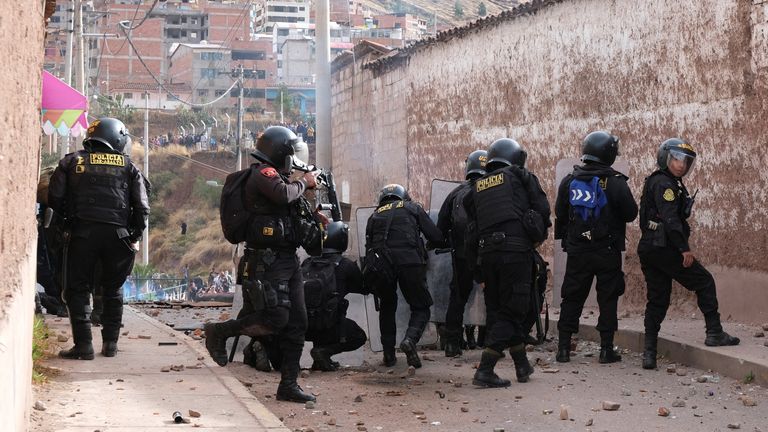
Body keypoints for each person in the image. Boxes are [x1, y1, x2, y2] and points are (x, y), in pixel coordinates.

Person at [203, 125, 321, 403]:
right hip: (266, 260)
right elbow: (283, 195)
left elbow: (289, 212)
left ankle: (288, 384)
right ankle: (218, 332)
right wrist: (305, 182)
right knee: (275, 318)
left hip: (287, 259)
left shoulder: (281, 178)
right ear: (282, 153)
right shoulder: (263, 174)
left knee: (298, 323)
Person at [48, 117, 150, 360]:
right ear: (118, 138)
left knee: (78, 289)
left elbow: (55, 200)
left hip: (81, 235)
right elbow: (142, 208)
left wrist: (65, 230)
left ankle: (83, 347)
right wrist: (132, 235)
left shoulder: (71, 162)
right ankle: (111, 345)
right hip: (118, 236)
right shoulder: (129, 167)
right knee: (113, 288)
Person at [638, 138, 739, 370]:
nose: (681, 164)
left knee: (658, 299)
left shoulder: (665, 181)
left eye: (685, 161)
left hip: (650, 249)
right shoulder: (665, 185)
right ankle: (714, 332)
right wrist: (684, 249)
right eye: (676, 159)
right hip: (666, 249)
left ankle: (649, 353)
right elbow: (671, 220)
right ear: (665, 157)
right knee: (704, 281)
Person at [463, 138, 550, 388]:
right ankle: (486, 368)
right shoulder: (520, 176)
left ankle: (522, 365)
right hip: (515, 254)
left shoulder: (476, 187)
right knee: (514, 310)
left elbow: (471, 232)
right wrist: (536, 236)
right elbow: (542, 210)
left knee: (500, 310)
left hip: (487, 256)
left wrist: (477, 271)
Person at [553, 131, 638, 364]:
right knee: (608, 298)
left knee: (572, 297)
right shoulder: (616, 182)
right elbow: (631, 213)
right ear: (609, 154)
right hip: (606, 250)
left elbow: (559, 213)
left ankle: (563, 349)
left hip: (578, 251)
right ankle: (606, 350)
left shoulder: (570, 181)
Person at [364, 184, 445, 368]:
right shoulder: (412, 207)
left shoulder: (373, 216)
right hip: (410, 262)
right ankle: (409, 340)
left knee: (387, 307)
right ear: (403, 197)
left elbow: (368, 247)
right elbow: (435, 235)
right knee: (421, 307)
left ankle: (389, 356)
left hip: (382, 265)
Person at [437, 149, 487, 357]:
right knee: (494, 297)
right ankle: (493, 343)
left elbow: (440, 227)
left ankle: (452, 344)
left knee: (458, 297)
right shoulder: (494, 190)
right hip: (488, 253)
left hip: (462, 255)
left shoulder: (455, 193)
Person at [302, 221, 369, 371]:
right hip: (329, 327)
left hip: (303, 328)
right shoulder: (345, 265)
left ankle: (320, 360)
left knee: (322, 311)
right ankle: (325, 352)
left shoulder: (307, 263)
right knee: (359, 336)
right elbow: (363, 288)